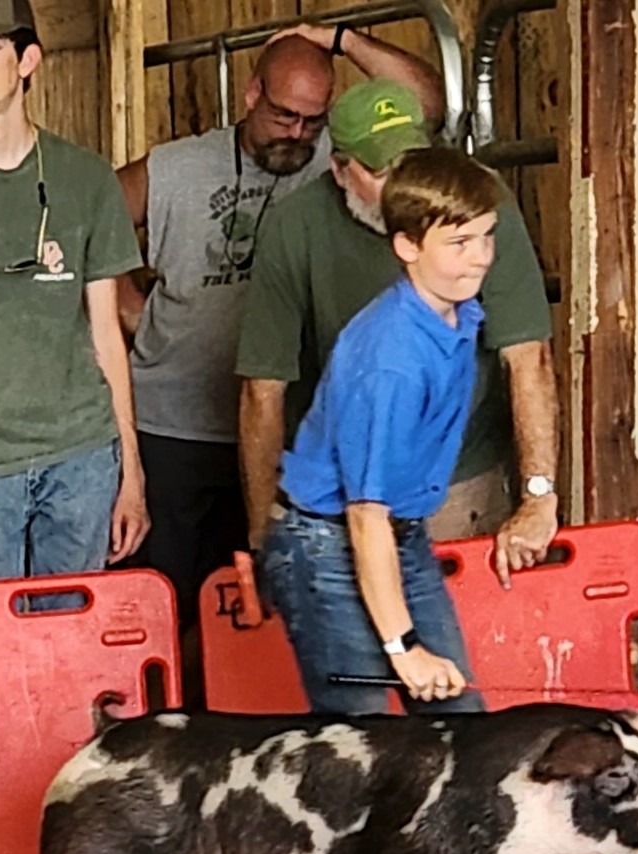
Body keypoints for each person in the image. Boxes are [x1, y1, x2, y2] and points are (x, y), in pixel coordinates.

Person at [236, 126, 557, 854]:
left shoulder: (459, 314)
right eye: (458, 243)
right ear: (405, 243)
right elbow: (363, 516)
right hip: (330, 542)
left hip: (395, 536)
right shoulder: (388, 354)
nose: (480, 258)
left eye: (487, 237)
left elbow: (390, 521)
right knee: (350, 756)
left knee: (463, 730)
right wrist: (402, 642)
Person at [117, 25, 443, 630]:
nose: (296, 133)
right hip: (176, 425)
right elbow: (91, 223)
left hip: (284, 428)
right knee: (172, 606)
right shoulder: (178, 166)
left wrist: (338, 38)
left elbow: (425, 103)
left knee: (270, 604)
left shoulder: (334, 168)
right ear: (251, 94)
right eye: (283, 115)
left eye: (313, 121)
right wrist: (125, 301)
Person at [237, 78, 561, 599]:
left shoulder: (478, 201)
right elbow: (262, 389)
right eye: (383, 171)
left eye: (412, 162)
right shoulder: (295, 226)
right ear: (340, 169)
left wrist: (538, 494)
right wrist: (263, 536)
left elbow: (528, 357)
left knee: (466, 642)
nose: (402, 185)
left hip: (459, 476)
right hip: (340, 486)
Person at [0, 0, 149, 608]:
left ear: (28, 60)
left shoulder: (87, 179)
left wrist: (132, 474)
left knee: (69, 657)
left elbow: (106, 338)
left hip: (82, 458)